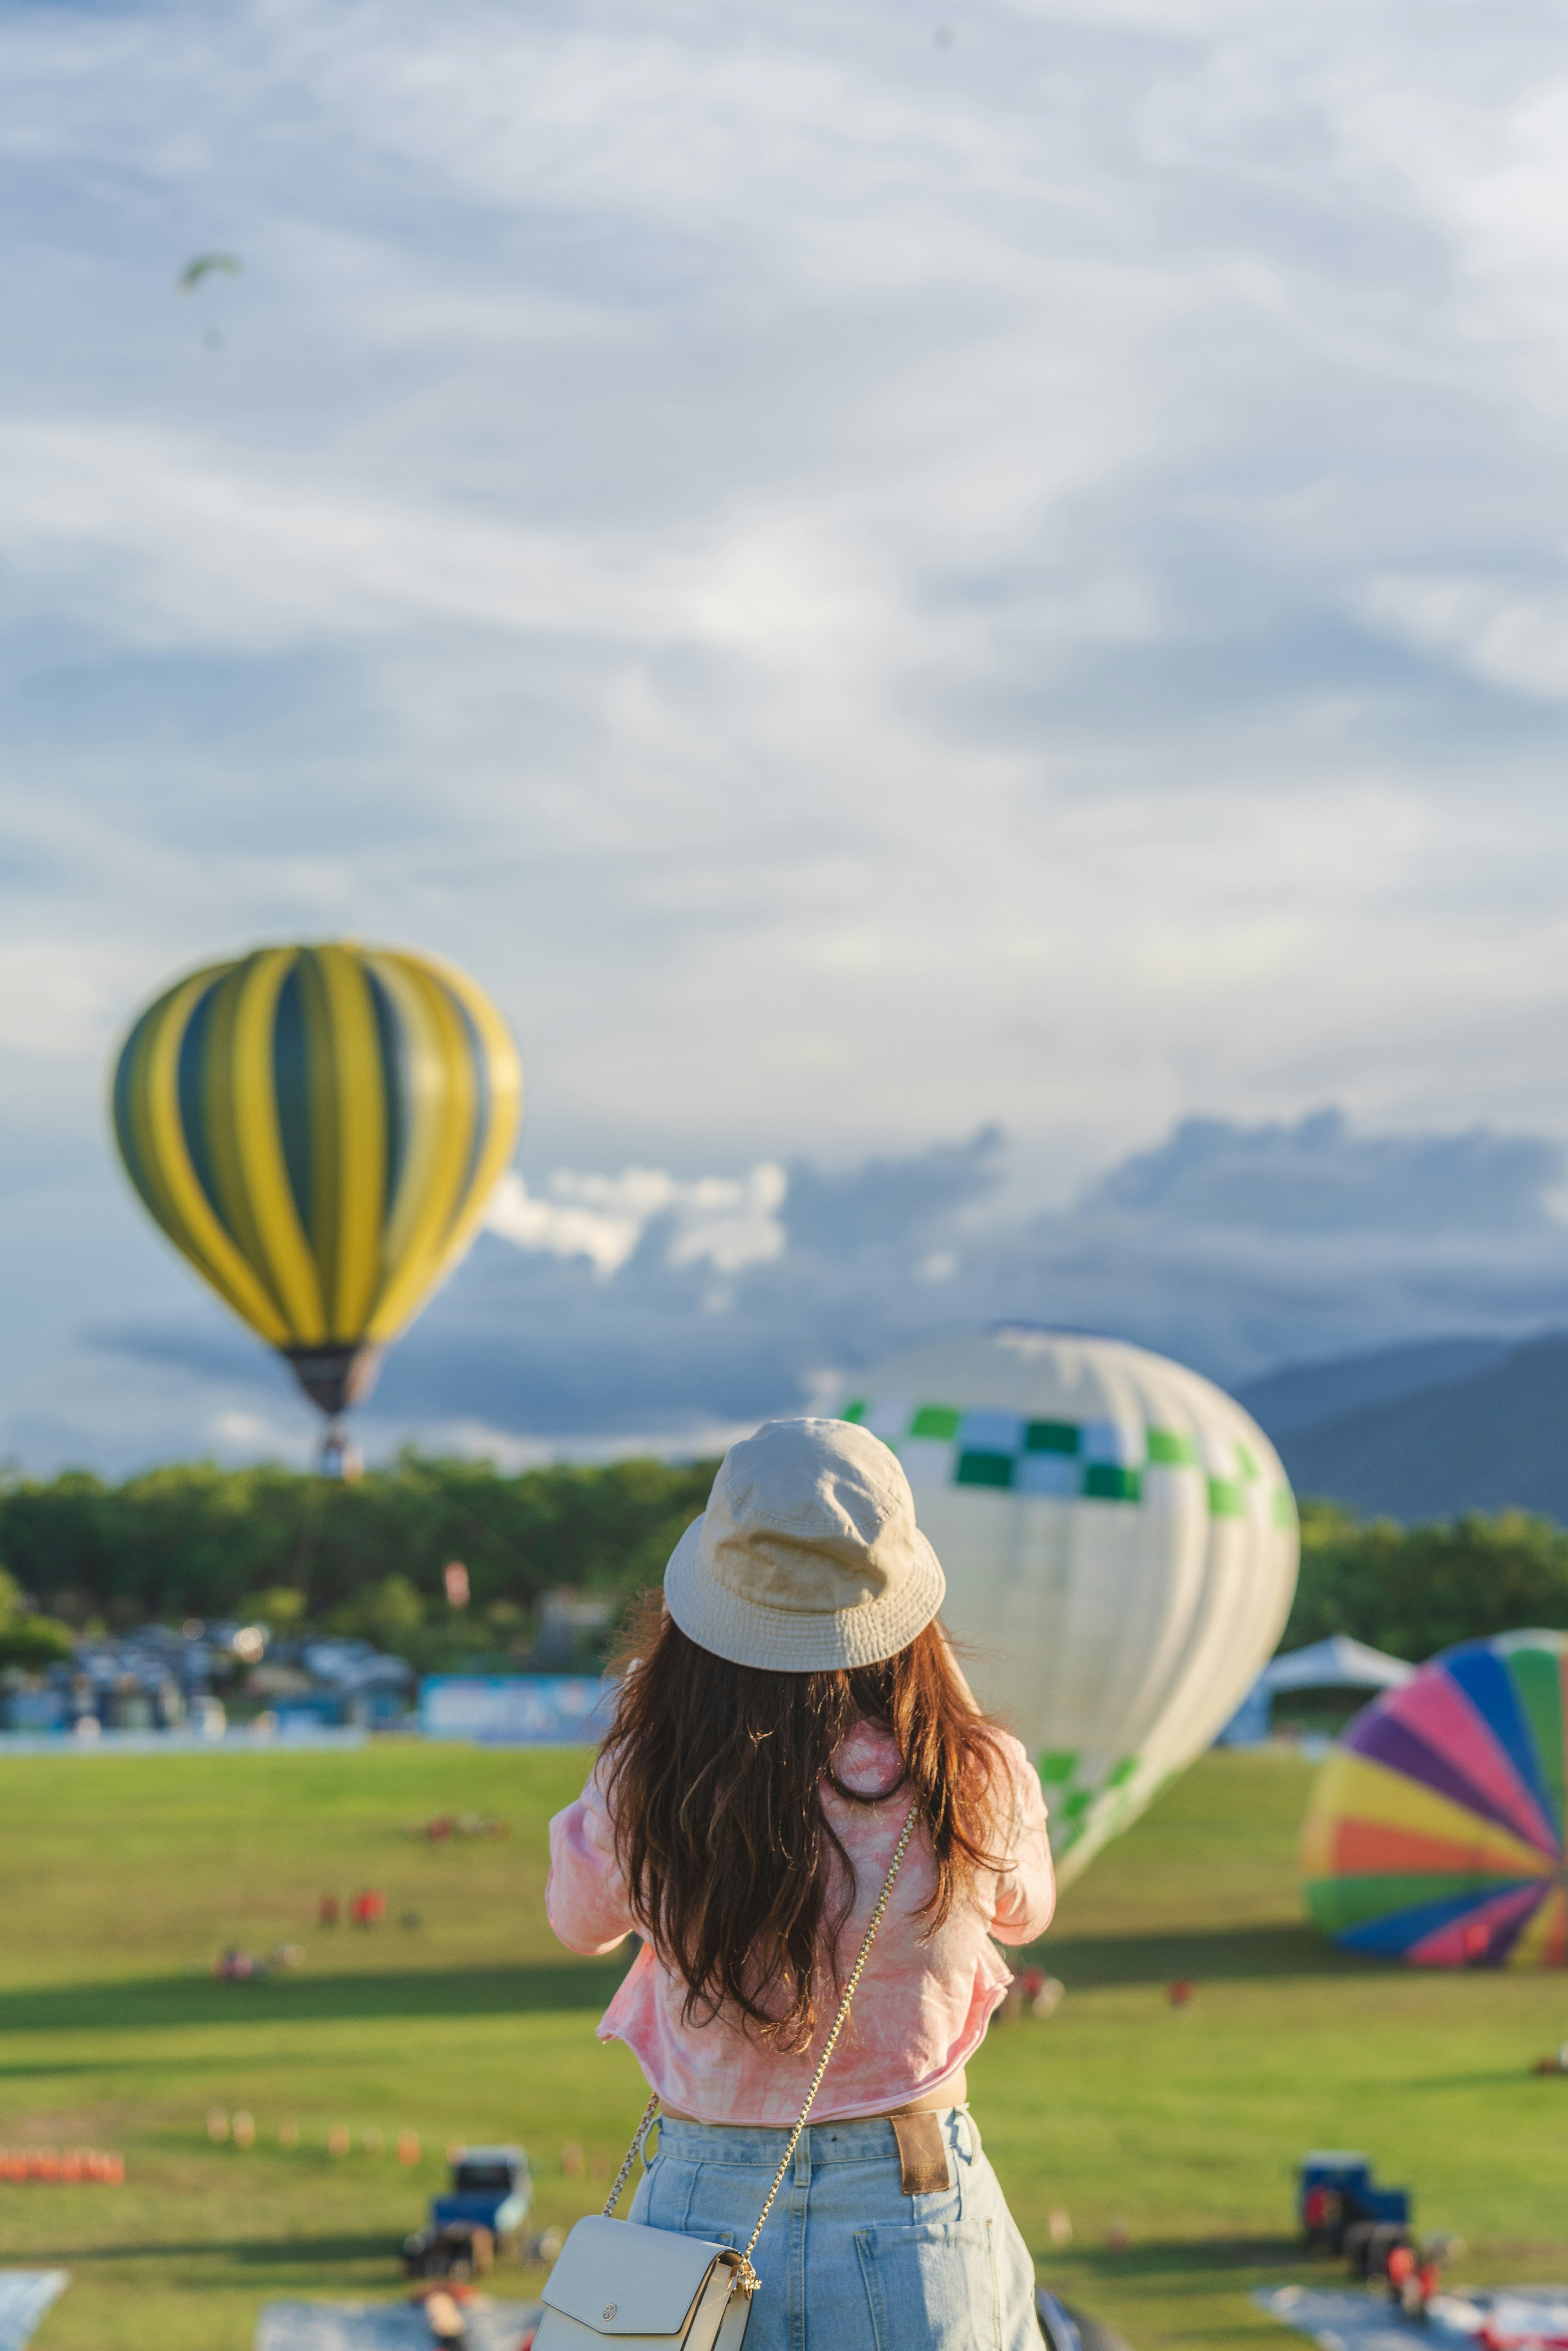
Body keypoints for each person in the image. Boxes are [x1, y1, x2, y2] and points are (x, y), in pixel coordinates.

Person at [545, 1416, 1055, 2351]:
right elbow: (1029, 1908)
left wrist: (639, 1739)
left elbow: (577, 1919)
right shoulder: (970, 1772)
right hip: (911, 2199)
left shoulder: (653, 1772)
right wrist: (950, 1718)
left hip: (696, 2199)